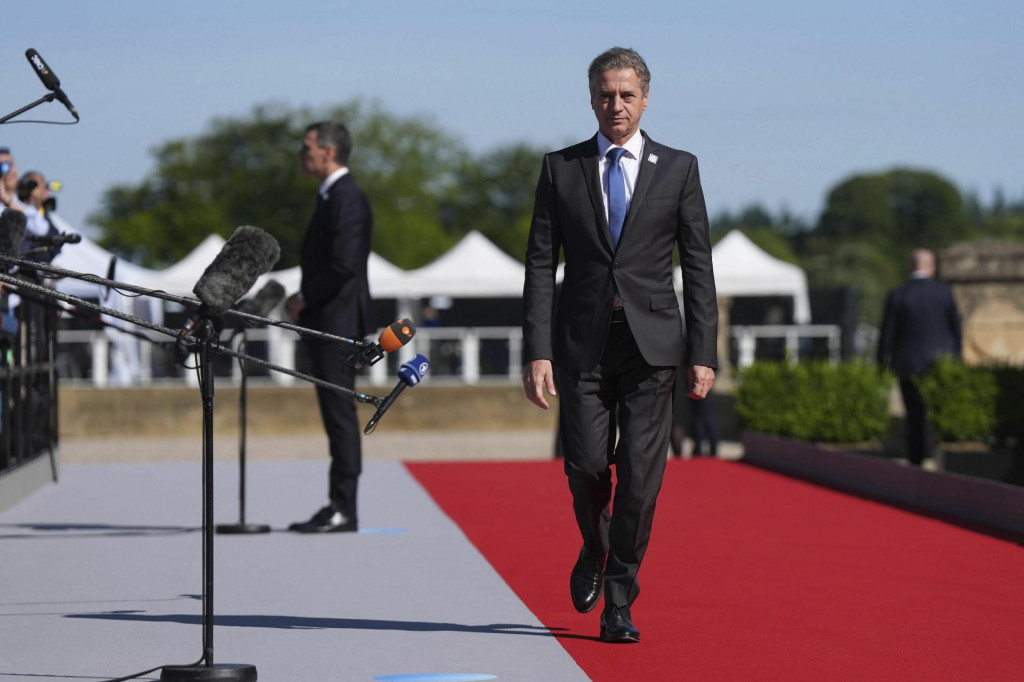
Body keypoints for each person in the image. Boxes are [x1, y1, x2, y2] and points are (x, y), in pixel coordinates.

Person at [522, 47, 718, 643]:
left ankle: (618, 599)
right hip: (580, 345)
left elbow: (698, 265)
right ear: (590, 98)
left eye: (627, 94)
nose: (616, 105)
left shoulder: (679, 168)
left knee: (639, 480)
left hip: (653, 348)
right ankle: (595, 546)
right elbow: (538, 265)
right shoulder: (561, 168)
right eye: (606, 94)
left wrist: (704, 350)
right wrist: (537, 350)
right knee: (584, 466)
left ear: (646, 98)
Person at [285, 121, 373, 533]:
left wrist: (305, 298)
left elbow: (343, 265)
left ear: (329, 152)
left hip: (336, 323)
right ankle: (337, 502)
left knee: (340, 415)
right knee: (333, 414)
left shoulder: (346, 197)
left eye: (307, 148)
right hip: (327, 320)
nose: (303, 155)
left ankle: (345, 507)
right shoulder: (330, 196)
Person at [877, 248, 962, 466]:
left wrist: (881, 364)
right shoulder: (944, 292)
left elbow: (887, 334)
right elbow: (956, 330)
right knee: (938, 412)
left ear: (910, 266)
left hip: (909, 363)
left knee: (914, 415)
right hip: (940, 363)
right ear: (931, 266)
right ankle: (936, 454)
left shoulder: (899, 294)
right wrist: (956, 360)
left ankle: (917, 459)